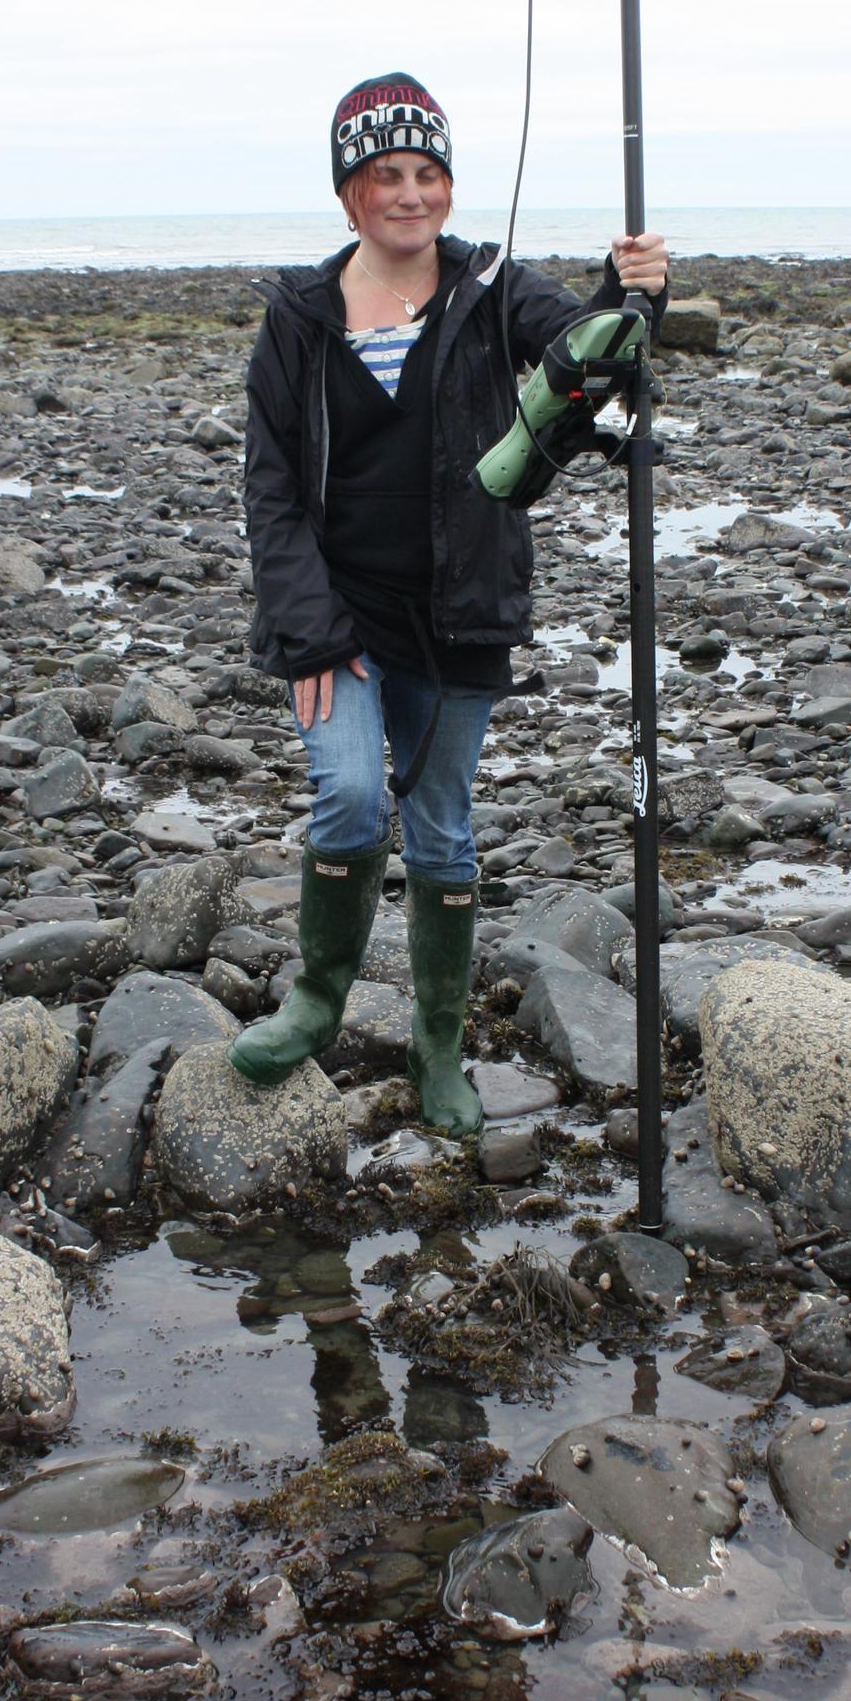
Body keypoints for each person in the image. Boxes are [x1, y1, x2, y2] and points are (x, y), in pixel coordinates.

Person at [229, 69, 668, 1137]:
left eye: (427, 173)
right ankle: (317, 1001)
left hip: (463, 613)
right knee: (345, 798)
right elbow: (271, 487)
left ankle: (438, 1049)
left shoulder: (494, 287)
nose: (410, 194)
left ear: (450, 185)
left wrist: (633, 296)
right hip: (339, 617)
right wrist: (310, 631)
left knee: (441, 831)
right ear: (349, 195)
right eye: (386, 175)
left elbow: (582, 358)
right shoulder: (297, 317)